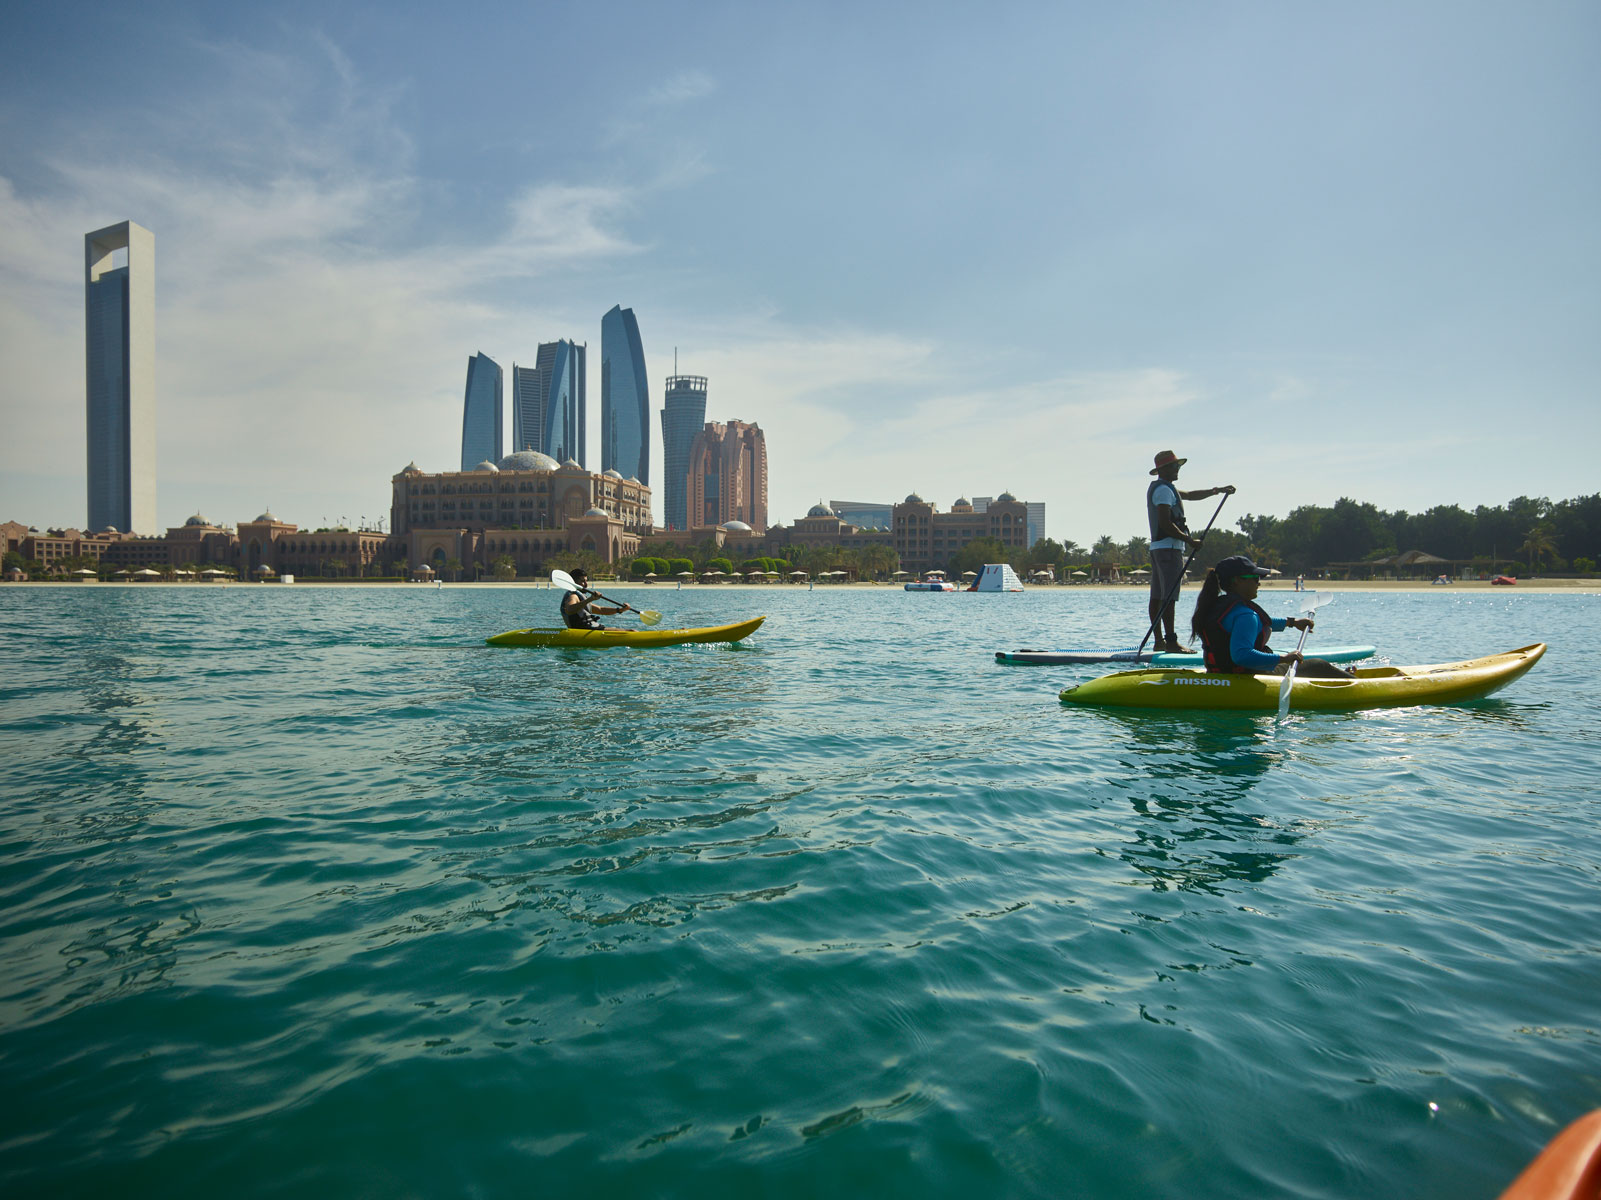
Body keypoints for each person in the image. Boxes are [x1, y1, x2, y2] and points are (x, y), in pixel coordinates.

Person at [1191, 555, 1352, 678]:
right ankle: (1352, 681)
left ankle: (1344, 676)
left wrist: (1292, 623)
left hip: (1219, 674)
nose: (1258, 583)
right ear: (1236, 582)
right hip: (1248, 676)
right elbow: (1241, 655)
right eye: (1255, 578)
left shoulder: (1216, 607)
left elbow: (1256, 625)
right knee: (1319, 665)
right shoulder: (1245, 614)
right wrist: (1284, 658)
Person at [1146, 449, 1235, 653]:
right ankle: (1170, 642)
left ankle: (1159, 641)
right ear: (1164, 469)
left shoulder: (1167, 489)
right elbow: (1165, 523)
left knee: (1159, 596)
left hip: (1161, 549)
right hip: (1168, 550)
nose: (1178, 469)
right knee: (1167, 597)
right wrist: (1189, 540)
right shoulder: (1163, 491)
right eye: (1175, 466)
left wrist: (1217, 490)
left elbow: (1191, 495)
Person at [560, 567, 627, 630]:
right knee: (632, 631)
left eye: (586, 581)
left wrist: (620, 610)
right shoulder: (573, 596)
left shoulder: (580, 599)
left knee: (627, 630)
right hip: (583, 631)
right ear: (574, 582)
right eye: (583, 581)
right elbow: (569, 610)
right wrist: (590, 599)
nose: (586, 584)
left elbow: (601, 610)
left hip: (589, 629)